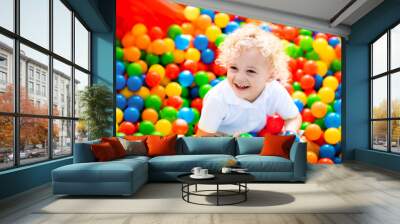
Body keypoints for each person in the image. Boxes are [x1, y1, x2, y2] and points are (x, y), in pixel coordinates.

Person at [196, 24, 302, 137]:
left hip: (258, 134)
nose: (239, 77)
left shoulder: (274, 91)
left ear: (270, 75)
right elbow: (203, 138)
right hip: (221, 137)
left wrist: (290, 133)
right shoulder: (217, 99)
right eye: (233, 68)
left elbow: (293, 117)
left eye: (251, 71)